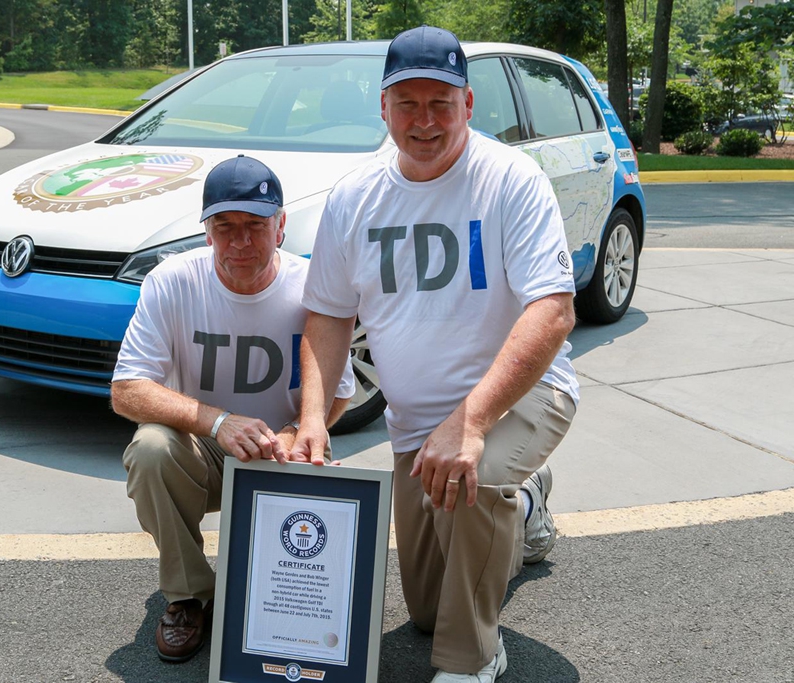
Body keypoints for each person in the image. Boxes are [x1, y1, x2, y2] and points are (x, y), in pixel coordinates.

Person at [292, 26, 579, 683]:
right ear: (384, 108)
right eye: (408, 104)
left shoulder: (511, 180)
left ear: (468, 105)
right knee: (427, 610)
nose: (425, 121)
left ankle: (473, 659)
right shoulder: (354, 198)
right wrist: (312, 419)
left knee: (471, 490)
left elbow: (553, 311)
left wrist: (471, 423)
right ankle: (525, 504)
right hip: (416, 423)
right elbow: (329, 315)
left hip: (521, 396)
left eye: (441, 104)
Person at [111, 155, 356, 663]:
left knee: (297, 553)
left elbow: (341, 392)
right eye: (225, 227)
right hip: (203, 452)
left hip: (282, 448)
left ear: (281, 227)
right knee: (151, 448)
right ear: (206, 231)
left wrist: (296, 430)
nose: (240, 242)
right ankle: (189, 597)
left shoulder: (311, 286)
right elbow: (127, 390)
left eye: (255, 225)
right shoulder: (172, 281)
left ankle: (295, 607)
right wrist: (218, 422)